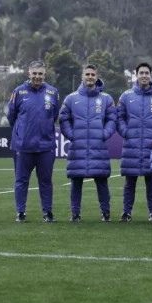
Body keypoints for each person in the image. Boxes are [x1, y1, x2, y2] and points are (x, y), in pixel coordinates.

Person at [59, 64, 115, 222]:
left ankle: (105, 213)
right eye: (87, 74)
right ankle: (75, 214)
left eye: (93, 74)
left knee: (101, 181)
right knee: (76, 181)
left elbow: (112, 119)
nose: (90, 77)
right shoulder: (71, 98)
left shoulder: (106, 99)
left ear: (97, 77)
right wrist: (72, 135)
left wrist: (105, 134)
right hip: (78, 147)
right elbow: (63, 119)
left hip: (98, 146)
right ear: (82, 76)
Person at [8, 60, 61, 223]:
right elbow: (11, 117)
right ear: (28, 73)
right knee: (21, 181)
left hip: (45, 147)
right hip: (23, 146)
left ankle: (47, 212)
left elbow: (54, 116)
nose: (37, 76)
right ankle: (21, 212)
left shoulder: (53, 92)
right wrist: (22, 133)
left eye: (40, 74)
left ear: (45, 75)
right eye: (34, 73)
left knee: (46, 182)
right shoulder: (18, 92)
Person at [118, 62, 152, 223]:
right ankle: (126, 212)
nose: (144, 75)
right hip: (131, 146)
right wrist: (125, 132)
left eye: (147, 73)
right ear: (136, 75)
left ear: (150, 75)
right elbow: (119, 117)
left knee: (151, 182)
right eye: (141, 73)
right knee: (129, 183)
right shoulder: (126, 96)